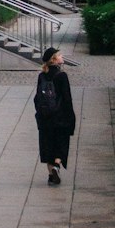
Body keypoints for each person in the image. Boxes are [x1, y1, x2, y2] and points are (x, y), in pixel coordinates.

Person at [34, 46, 75, 185]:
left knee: (48, 146)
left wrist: (40, 113)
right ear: (54, 60)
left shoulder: (42, 75)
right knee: (60, 144)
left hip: (45, 118)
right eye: (60, 55)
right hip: (60, 117)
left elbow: (37, 97)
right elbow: (67, 98)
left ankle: (52, 174)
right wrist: (70, 118)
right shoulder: (61, 76)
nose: (62, 56)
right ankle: (57, 166)